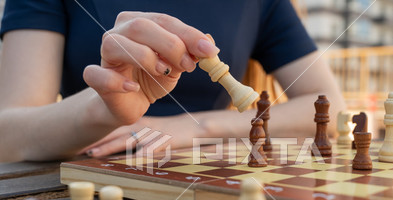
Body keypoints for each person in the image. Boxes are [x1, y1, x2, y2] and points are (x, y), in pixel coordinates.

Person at [0, 0, 345, 162]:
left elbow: (329, 108)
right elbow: (8, 136)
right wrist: (103, 110)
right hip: (90, 175)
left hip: (211, 177)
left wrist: (194, 127)